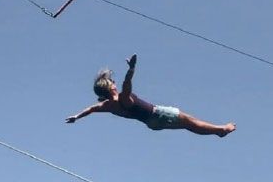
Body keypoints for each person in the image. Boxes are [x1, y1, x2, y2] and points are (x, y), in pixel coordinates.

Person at [65, 54, 236, 137]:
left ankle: (218, 131)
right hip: (158, 113)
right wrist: (131, 69)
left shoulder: (107, 106)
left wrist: (76, 117)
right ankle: (220, 129)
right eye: (112, 82)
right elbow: (126, 83)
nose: (114, 83)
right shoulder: (122, 98)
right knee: (190, 121)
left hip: (152, 124)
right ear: (110, 88)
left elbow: (91, 109)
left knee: (188, 126)